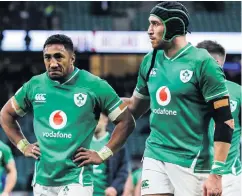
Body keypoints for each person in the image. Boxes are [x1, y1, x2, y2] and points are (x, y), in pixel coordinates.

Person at [0, 34, 135, 196]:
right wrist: (23, 146)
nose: (53, 63)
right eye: (47, 58)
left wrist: (103, 154)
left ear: (72, 58)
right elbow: (6, 114)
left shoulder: (94, 85)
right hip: (42, 181)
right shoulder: (34, 85)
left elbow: (126, 121)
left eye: (59, 57)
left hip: (76, 181)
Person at [122, 1, 234, 196]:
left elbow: (225, 120)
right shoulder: (150, 60)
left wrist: (216, 174)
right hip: (155, 152)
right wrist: (100, 103)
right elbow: (134, 107)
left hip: (192, 160)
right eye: (149, 24)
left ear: (173, 25)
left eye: (155, 24)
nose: (149, 30)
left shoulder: (203, 63)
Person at [196, 40, 241, 196]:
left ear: (214, 63)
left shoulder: (238, 93)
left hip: (228, 177)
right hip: (190, 173)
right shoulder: (185, 91)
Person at [90, 113, 130, 196]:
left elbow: (123, 169)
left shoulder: (116, 142)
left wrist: (115, 187)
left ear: (105, 120)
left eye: (97, 118)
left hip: (106, 193)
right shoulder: (84, 141)